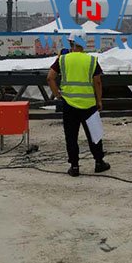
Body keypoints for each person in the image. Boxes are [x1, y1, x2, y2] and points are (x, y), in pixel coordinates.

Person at [47, 31, 111, 176]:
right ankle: (99, 162)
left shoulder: (63, 59)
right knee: (94, 134)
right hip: (89, 104)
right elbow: (97, 82)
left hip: (69, 104)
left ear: (71, 43)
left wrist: (57, 94)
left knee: (71, 136)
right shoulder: (91, 60)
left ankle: (74, 166)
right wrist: (99, 100)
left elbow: (50, 78)